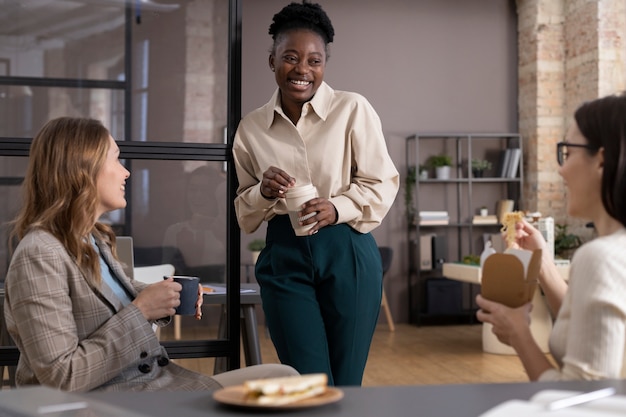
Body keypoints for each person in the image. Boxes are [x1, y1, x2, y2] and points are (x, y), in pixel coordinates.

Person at [3, 117, 297, 392]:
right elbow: (61, 376)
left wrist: (166, 296)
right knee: (283, 385)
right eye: (115, 158)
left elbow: (106, 299)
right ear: (82, 168)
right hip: (116, 401)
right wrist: (142, 310)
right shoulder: (39, 255)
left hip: (152, 385)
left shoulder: (91, 239)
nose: (126, 171)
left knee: (285, 378)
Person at [232, 1, 399, 386]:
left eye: (314, 60)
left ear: (325, 64)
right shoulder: (252, 128)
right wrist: (263, 191)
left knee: (345, 382)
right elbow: (244, 212)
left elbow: (382, 181)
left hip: (349, 252)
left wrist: (337, 207)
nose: (302, 70)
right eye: (290, 57)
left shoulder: (353, 109)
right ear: (271, 60)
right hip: (284, 255)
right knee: (307, 380)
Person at [476, 92, 626, 381]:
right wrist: (542, 263)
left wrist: (519, 335)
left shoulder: (601, 258)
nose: (561, 169)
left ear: (601, 161)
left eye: (567, 153)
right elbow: (588, 325)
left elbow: (584, 402)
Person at [162, 165, 227, 282]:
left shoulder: (224, 230)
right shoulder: (173, 231)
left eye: (205, 190)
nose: (198, 195)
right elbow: (165, 273)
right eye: (193, 189)